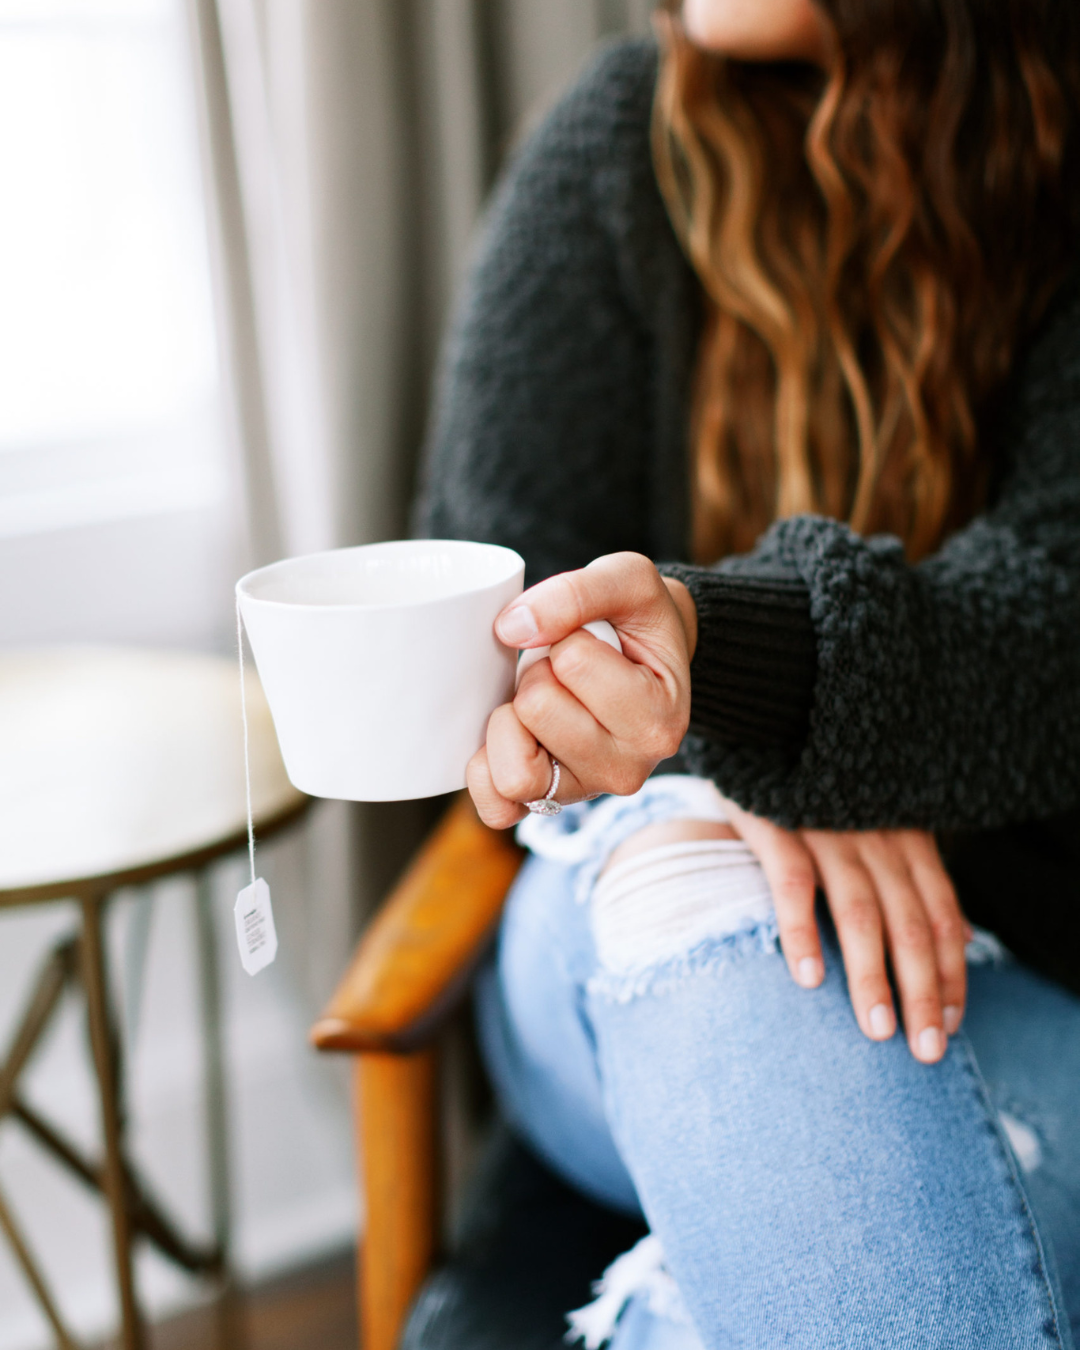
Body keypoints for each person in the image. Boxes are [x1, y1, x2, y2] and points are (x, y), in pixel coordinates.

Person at [415, 0, 1080, 1344]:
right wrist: (732, 744)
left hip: (1011, 964)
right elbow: (491, 629)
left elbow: (1056, 619)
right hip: (620, 923)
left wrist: (765, 680)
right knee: (698, 873)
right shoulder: (616, 159)